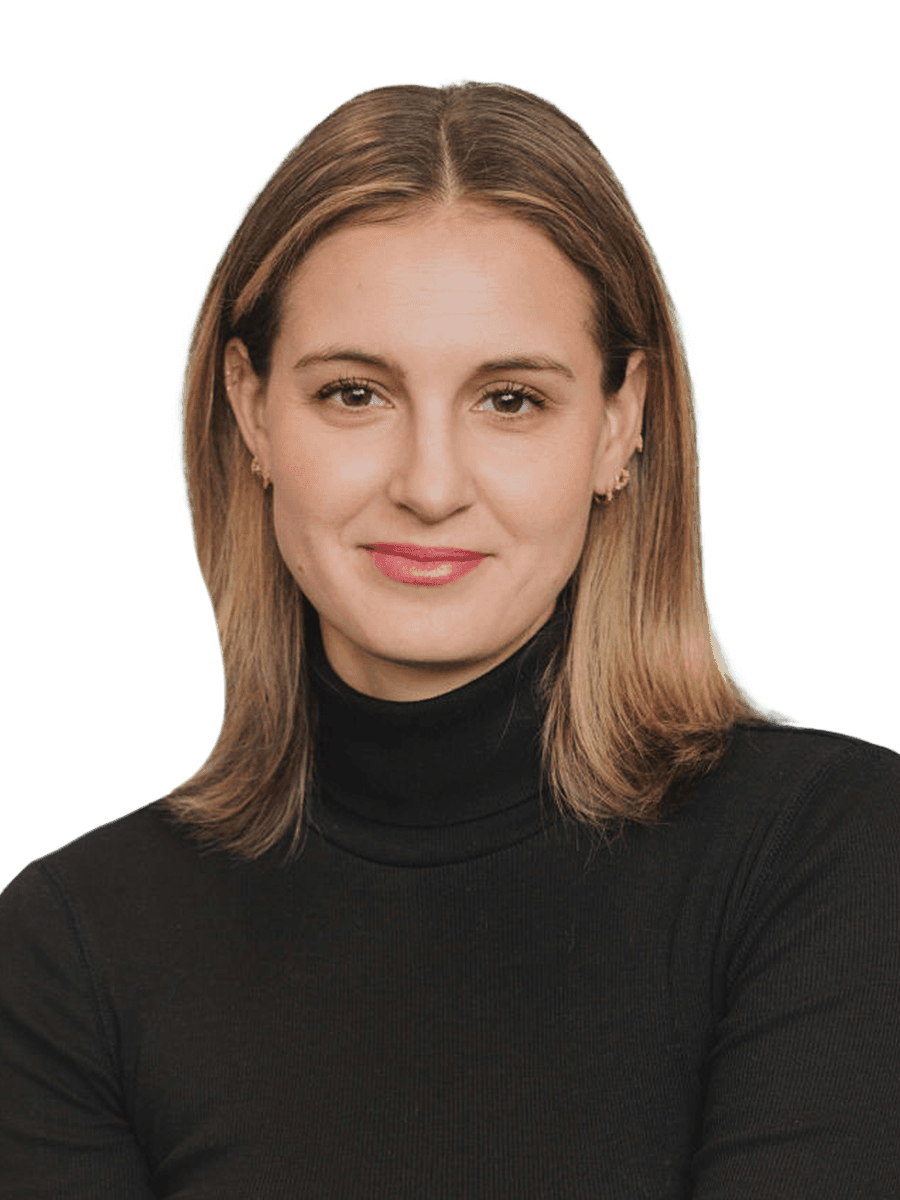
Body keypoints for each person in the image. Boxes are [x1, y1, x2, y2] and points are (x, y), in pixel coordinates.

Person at [1, 79, 898, 1199]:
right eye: (354, 394)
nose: (430, 487)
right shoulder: (72, 950)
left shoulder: (832, 856)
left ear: (621, 424)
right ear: (250, 408)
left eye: (510, 400)